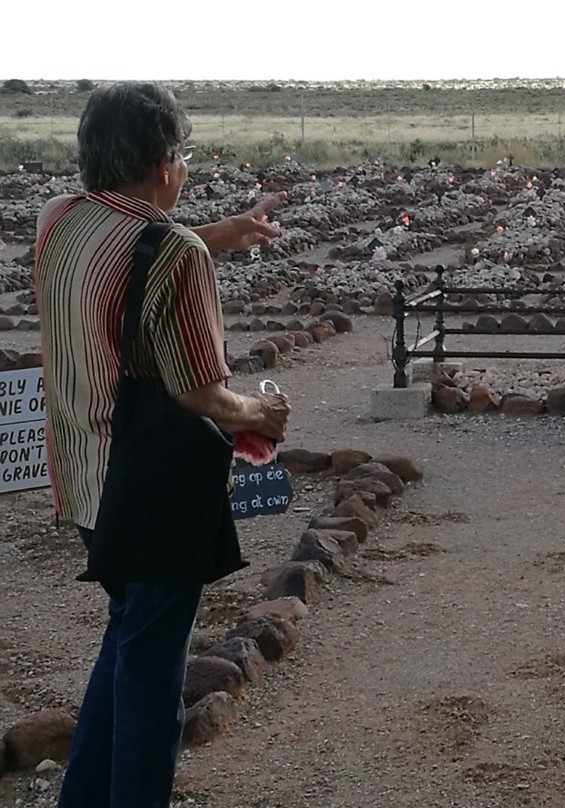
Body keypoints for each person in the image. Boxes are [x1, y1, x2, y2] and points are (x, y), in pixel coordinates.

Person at [34, 82, 292, 807]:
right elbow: (201, 393)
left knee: (129, 639)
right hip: (148, 491)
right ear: (164, 162)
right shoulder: (176, 254)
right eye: (181, 158)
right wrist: (262, 413)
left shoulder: (59, 220)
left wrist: (218, 233)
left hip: (84, 478)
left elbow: (125, 258)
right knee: (151, 681)